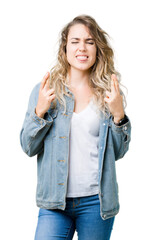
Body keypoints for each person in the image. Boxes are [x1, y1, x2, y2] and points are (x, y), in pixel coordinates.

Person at [20, 15, 131, 240]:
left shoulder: (108, 94)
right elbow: (28, 147)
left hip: (96, 203)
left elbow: (118, 153)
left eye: (89, 42)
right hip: (54, 204)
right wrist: (39, 112)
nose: (82, 48)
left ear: (98, 49)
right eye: (75, 41)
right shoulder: (45, 91)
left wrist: (119, 114)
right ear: (65, 48)